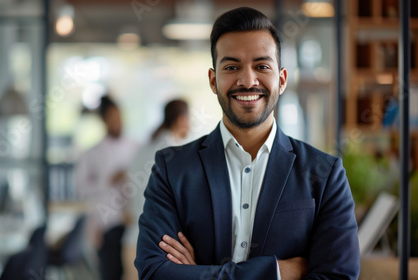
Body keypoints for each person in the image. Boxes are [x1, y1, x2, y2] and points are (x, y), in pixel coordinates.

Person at [135, 7, 360, 280]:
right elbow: (154, 272)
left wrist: (197, 275)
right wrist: (276, 271)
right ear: (213, 80)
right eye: (232, 67)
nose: (247, 80)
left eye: (262, 66)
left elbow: (338, 276)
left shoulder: (325, 173)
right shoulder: (172, 169)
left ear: (282, 79)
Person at [122, 99, 190, 280]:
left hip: (131, 240)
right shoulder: (176, 152)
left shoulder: (144, 148)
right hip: (161, 249)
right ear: (181, 120)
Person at [75, 95, 139, 280]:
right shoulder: (92, 153)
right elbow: (81, 189)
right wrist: (107, 181)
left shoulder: (137, 148)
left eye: (119, 116)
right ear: (104, 120)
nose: (117, 122)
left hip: (133, 224)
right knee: (110, 274)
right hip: (107, 225)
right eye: (112, 117)